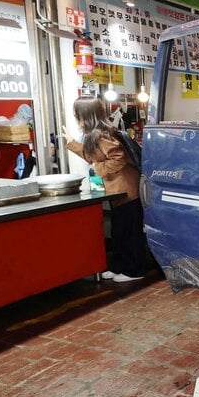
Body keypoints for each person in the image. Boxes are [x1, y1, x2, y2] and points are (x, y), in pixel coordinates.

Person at [64, 97, 146, 282]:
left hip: (127, 190)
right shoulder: (96, 133)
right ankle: (119, 267)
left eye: (76, 113)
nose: (75, 117)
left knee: (129, 232)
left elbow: (118, 158)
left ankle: (135, 270)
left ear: (84, 115)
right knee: (118, 231)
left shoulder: (103, 134)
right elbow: (94, 156)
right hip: (117, 190)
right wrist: (72, 143)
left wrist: (99, 169)